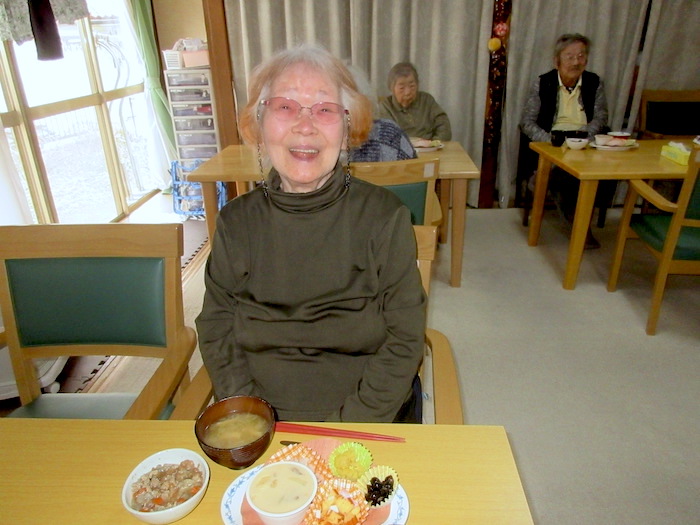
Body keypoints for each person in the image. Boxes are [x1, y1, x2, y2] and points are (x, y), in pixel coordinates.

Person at [195, 44, 426, 423]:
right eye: (285, 107)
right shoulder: (236, 223)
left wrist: (345, 428)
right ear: (260, 121)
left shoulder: (386, 218)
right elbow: (216, 330)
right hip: (258, 425)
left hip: (365, 422)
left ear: (349, 126)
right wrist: (254, 418)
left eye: (324, 109)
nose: (305, 125)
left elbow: (405, 341)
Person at [519, 33, 610, 248]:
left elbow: (601, 116)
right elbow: (527, 122)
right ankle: (581, 229)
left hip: (585, 143)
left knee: (597, 173)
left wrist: (584, 136)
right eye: (569, 56)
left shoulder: (594, 82)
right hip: (553, 144)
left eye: (581, 56)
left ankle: (579, 221)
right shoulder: (543, 83)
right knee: (565, 175)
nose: (576, 62)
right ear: (557, 60)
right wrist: (550, 140)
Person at [377, 62, 452, 141]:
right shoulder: (386, 107)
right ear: (392, 89)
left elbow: (443, 124)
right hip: (401, 151)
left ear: (418, 85)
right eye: (402, 88)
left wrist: (435, 143)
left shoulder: (427, 100)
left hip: (430, 149)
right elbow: (386, 136)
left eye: (412, 86)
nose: (408, 92)